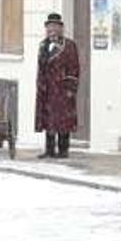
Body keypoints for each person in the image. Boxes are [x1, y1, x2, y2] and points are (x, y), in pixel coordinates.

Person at [34, 12, 80, 159]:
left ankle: (63, 149)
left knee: (62, 120)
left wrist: (70, 89)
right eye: (48, 27)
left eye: (54, 27)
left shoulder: (69, 45)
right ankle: (49, 149)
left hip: (61, 89)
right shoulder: (43, 45)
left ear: (61, 29)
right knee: (48, 119)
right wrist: (40, 84)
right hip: (47, 89)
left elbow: (74, 68)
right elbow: (41, 67)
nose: (51, 30)